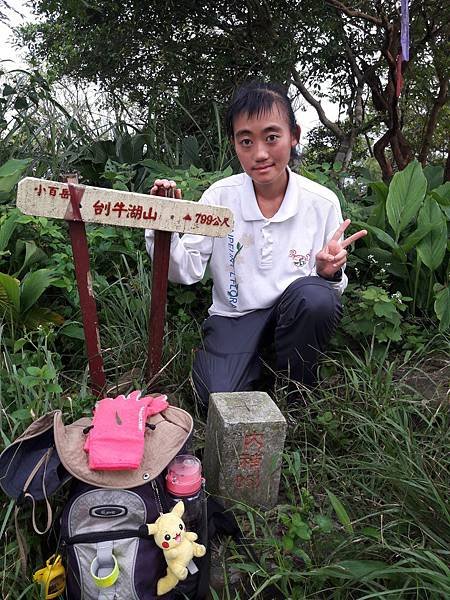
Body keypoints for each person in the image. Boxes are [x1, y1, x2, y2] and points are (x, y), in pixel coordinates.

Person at [145, 81, 367, 408]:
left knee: (315, 297)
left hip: (291, 317)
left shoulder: (321, 203)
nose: (259, 153)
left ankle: (296, 394)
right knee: (215, 399)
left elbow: (328, 298)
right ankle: (254, 369)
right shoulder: (220, 198)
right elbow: (184, 271)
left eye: (272, 137)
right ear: (234, 143)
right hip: (233, 319)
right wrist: (162, 224)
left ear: (294, 135)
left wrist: (328, 274)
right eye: (246, 141)